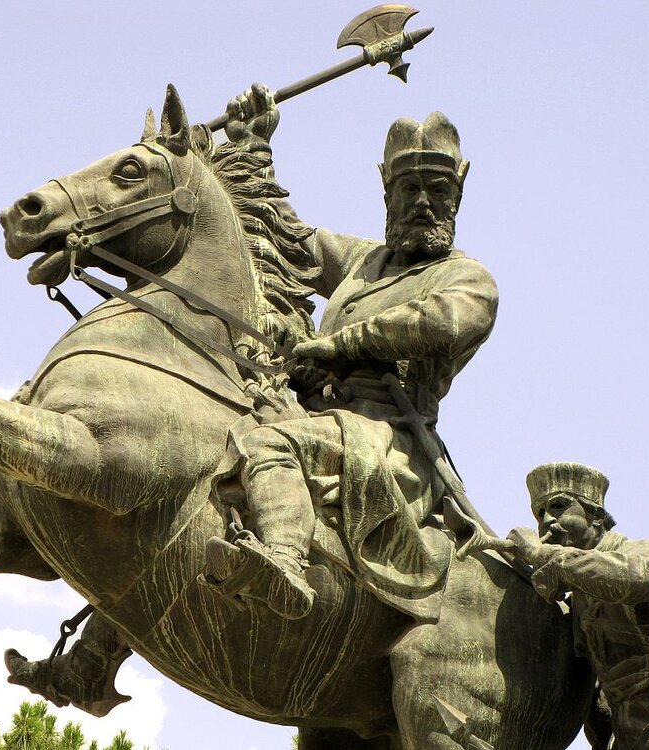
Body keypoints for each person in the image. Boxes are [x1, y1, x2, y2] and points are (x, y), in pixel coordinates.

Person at [203, 85, 498, 621]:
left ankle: (285, 563)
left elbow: (436, 321)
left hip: (387, 438)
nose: (423, 202)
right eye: (409, 188)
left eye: (437, 189)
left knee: (266, 442)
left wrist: (336, 345)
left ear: (457, 196)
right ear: (388, 195)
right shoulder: (363, 263)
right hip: (315, 414)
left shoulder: (469, 280)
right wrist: (251, 146)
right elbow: (287, 234)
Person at [502, 461, 649, 750]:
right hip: (631, 727)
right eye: (540, 513)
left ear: (595, 515)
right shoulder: (579, 599)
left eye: (558, 506)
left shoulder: (639, 552)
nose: (547, 520)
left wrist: (542, 554)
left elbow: (648, 577)